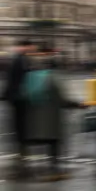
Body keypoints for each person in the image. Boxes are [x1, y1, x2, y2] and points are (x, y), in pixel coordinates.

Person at [22, 47, 87, 181]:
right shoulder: (54, 77)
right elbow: (62, 99)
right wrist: (78, 104)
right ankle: (54, 170)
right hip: (51, 117)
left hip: (36, 116)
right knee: (55, 143)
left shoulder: (34, 76)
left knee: (45, 143)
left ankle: (38, 168)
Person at [1, 39, 35, 178]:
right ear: (25, 47)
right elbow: (21, 80)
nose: (32, 49)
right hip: (19, 99)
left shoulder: (18, 59)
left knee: (18, 125)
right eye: (31, 46)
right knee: (20, 125)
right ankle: (21, 150)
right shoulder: (21, 60)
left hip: (15, 98)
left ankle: (20, 149)